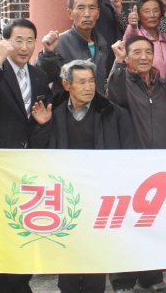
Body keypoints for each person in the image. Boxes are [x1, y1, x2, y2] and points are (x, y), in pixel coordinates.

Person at [30, 59, 136, 293]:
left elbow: (129, 152)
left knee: (96, 247)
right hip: (66, 193)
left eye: (91, 81)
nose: (89, 87)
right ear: (66, 85)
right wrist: (43, 126)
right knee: (67, 245)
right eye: (81, 82)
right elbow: (36, 152)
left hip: (99, 192)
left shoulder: (113, 113)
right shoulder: (53, 112)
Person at [0, 18, 52, 293]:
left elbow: (40, 117)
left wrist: (43, 123)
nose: (24, 47)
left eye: (30, 40)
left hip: (26, 163)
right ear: (5, 42)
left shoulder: (39, 76)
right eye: (18, 40)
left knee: (24, 226)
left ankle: (20, 283)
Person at [107, 36, 166, 293]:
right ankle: (123, 282)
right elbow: (114, 97)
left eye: (148, 52)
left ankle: (151, 277)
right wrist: (118, 63)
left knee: (156, 224)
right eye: (137, 52)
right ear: (128, 56)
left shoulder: (163, 85)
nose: (143, 57)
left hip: (161, 167)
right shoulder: (122, 80)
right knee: (127, 225)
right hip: (131, 165)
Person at [36, 0, 109, 94]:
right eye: (81, 8)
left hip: (97, 103)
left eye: (92, 8)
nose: (87, 14)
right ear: (70, 13)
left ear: (98, 13)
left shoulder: (102, 43)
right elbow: (41, 78)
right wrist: (47, 54)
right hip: (68, 103)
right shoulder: (59, 43)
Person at [123, 0, 166, 79]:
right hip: (139, 86)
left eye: (156, 11)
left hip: (164, 86)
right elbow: (130, 35)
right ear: (138, 16)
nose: (152, 15)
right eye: (147, 11)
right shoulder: (135, 36)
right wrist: (133, 25)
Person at [93, 0, 130, 68]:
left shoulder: (125, 6)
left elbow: (127, 31)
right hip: (102, 62)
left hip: (121, 62)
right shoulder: (98, 1)